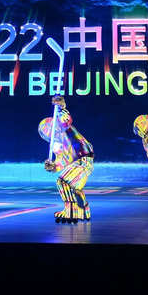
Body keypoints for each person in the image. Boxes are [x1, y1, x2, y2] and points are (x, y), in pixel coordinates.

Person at [39, 95, 94, 223]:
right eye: (46, 132)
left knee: (63, 182)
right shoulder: (56, 145)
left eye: (49, 129)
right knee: (75, 188)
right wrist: (53, 167)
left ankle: (70, 211)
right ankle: (83, 212)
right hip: (78, 163)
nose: (49, 132)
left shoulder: (65, 128)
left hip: (83, 159)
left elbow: (66, 119)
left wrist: (60, 107)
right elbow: (62, 161)